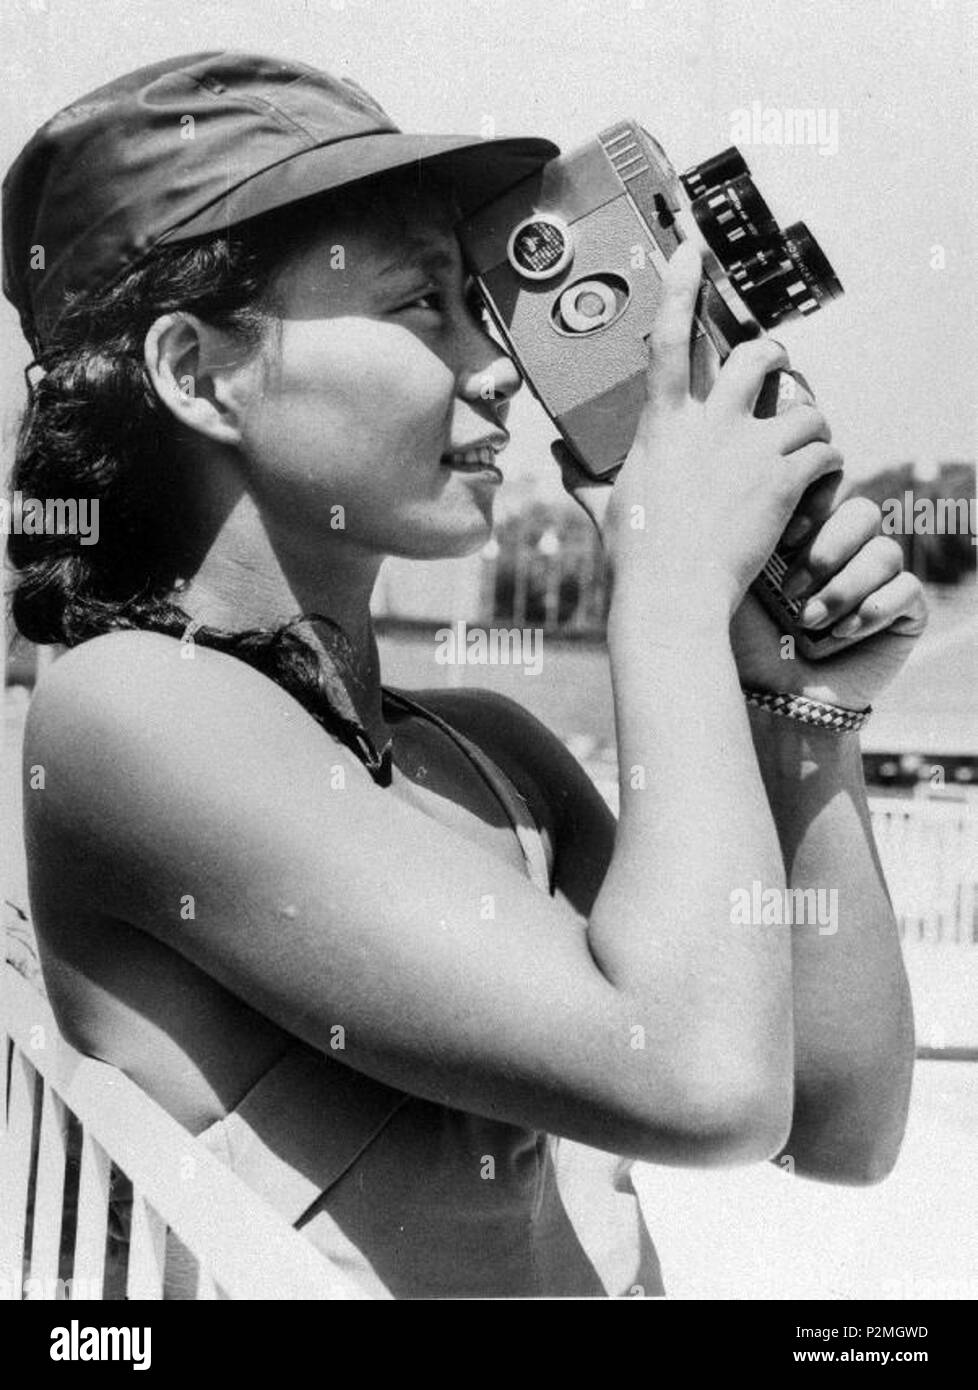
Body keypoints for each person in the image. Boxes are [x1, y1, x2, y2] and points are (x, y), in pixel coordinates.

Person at [3, 51, 926, 1299]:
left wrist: (800, 716)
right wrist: (665, 591)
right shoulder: (125, 709)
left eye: (480, 308)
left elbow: (834, 1121)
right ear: (194, 372)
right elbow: (703, 1084)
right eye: (420, 305)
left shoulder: (493, 755)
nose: (495, 367)